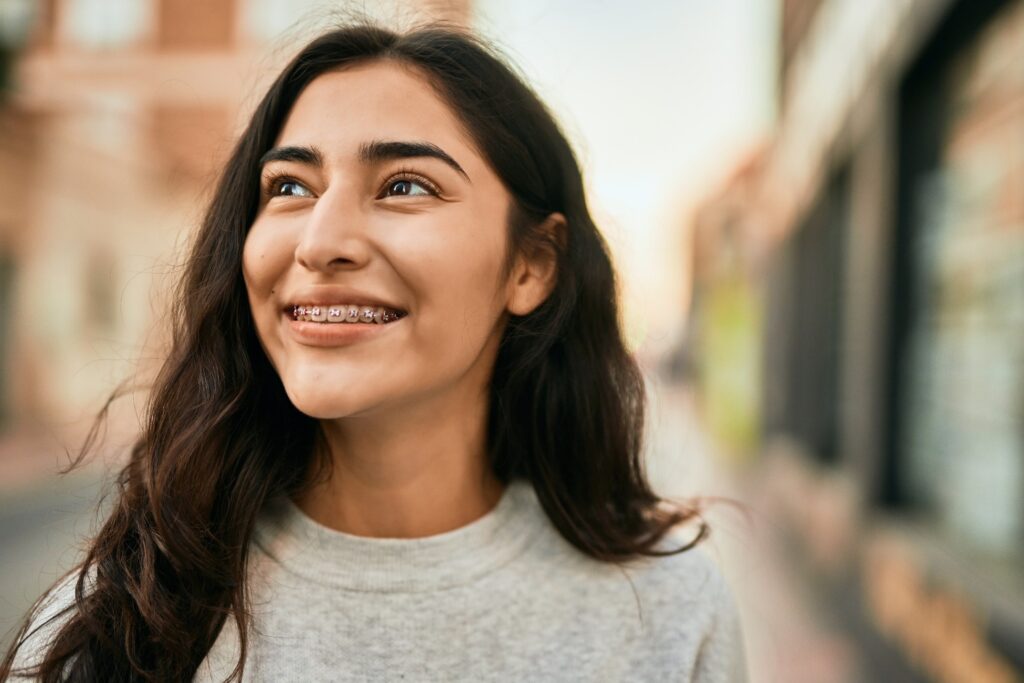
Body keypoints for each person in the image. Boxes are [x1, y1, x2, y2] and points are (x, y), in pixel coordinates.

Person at [1, 21, 748, 682]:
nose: (320, 241)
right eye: (289, 185)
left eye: (406, 185)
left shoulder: (670, 617)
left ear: (531, 265)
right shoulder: (113, 626)